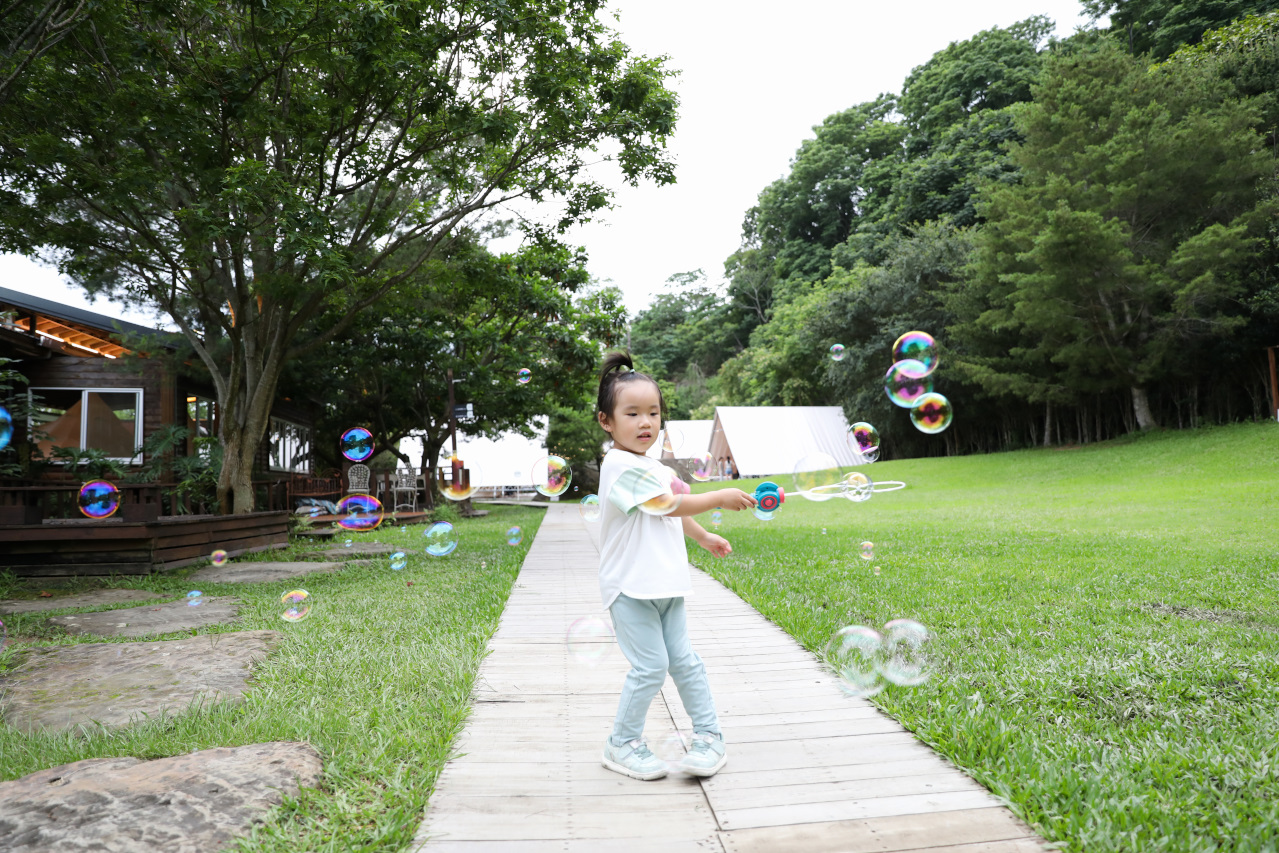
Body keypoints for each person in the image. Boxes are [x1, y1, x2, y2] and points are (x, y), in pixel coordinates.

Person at [594, 351, 757, 780]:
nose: (645, 421)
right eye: (632, 413)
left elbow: (674, 509)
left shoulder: (651, 465)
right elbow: (667, 504)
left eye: (653, 412)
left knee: (684, 661)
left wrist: (702, 536)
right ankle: (622, 743)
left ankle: (708, 737)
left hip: (667, 584)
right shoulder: (618, 466)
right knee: (650, 667)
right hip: (630, 590)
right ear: (606, 421)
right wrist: (720, 496)